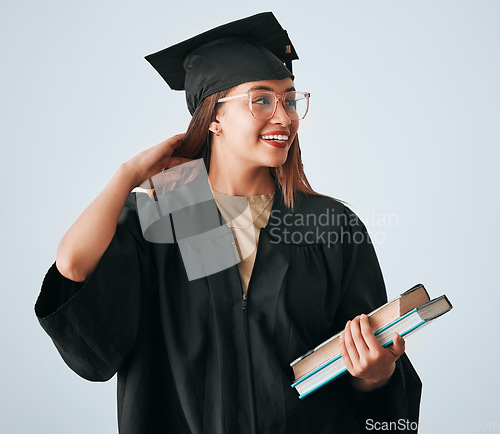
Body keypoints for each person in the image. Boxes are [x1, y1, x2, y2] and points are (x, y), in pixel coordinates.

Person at [35, 12, 422, 434]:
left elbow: (377, 384)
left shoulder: (327, 225)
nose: (284, 117)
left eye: (290, 100)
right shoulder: (174, 209)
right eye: (261, 99)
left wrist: (375, 375)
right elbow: (72, 269)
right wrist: (128, 174)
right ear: (214, 116)